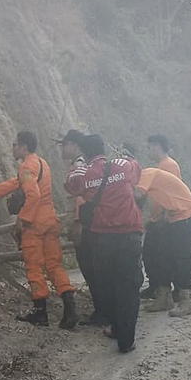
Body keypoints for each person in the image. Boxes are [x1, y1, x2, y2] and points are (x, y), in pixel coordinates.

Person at [0, 131, 78, 329]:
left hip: (35, 224)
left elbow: (33, 195)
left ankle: (40, 313)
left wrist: (22, 219)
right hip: (50, 220)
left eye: (14, 145)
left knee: (34, 267)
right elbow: (17, 182)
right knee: (54, 265)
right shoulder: (41, 163)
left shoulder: (27, 165)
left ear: (23, 147)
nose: (12, 148)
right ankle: (70, 310)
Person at [64, 135, 143, 353]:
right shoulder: (120, 165)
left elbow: (72, 186)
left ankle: (116, 327)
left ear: (85, 153)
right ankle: (125, 339)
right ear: (103, 150)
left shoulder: (85, 173)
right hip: (129, 234)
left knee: (108, 285)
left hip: (101, 239)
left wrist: (78, 165)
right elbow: (136, 168)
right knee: (128, 286)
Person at [55, 130, 107, 326]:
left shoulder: (79, 166)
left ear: (74, 145)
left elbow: (81, 196)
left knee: (92, 269)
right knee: (93, 269)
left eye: (64, 144)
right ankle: (102, 311)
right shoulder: (82, 165)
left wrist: (77, 223)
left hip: (85, 225)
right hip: (88, 224)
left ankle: (103, 312)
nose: (62, 149)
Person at [136, 168, 191, 316]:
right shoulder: (149, 177)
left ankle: (188, 301)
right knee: (163, 256)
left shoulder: (146, 174)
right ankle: (164, 297)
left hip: (186, 214)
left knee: (182, 257)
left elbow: (138, 195)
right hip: (173, 216)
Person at [142, 134, 182, 300]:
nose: (148, 150)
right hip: (157, 217)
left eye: (150, 146)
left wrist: (165, 215)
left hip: (163, 218)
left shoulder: (169, 165)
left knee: (159, 254)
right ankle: (157, 286)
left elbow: (172, 192)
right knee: (152, 254)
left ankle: (165, 288)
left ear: (157, 146)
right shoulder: (162, 165)